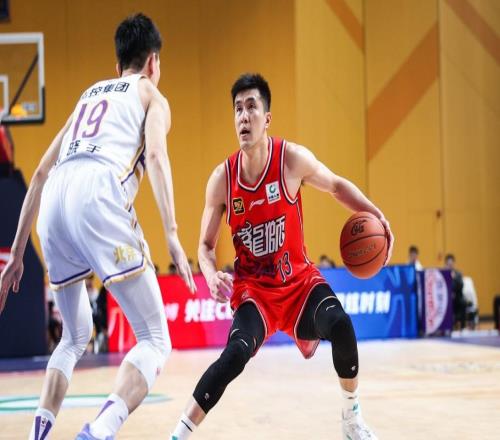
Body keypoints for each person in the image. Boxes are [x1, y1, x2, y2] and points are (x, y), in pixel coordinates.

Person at [0, 13, 195, 440]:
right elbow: (156, 157)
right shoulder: (151, 95)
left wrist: (17, 253)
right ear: (153, 62)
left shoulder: (89, 95)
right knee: (154, 338)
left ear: (117, 64)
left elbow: (39, 173)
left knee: (74, 336)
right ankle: (99, 430)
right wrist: (172, 234)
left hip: (55, 200)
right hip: (96, 194)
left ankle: (37, 435)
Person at [169, 73, 393, 440]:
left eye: (251, 107)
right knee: (235, 354)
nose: (244, 116)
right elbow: (205, 246)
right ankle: (178, 434)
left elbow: (336, 186)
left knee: (340, 324)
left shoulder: (290, 160)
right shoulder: (222, 180)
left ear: (267, 118)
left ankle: (352, 419)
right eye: (237, 109)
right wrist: (209, 275)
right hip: (254, 293)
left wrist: (377, 215)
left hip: (300, 285)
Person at [445, 254, 466, 330]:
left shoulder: (458, 274)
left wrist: (454, 278)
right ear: (446, 265)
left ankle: (463, 327)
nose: (450, 266)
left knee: (463, 302)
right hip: (447, 299)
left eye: (451, 264)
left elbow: (461, 286)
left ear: (454, 264)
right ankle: (447, 327)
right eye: (448, 264)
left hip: (457, 298)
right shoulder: (444, 274)